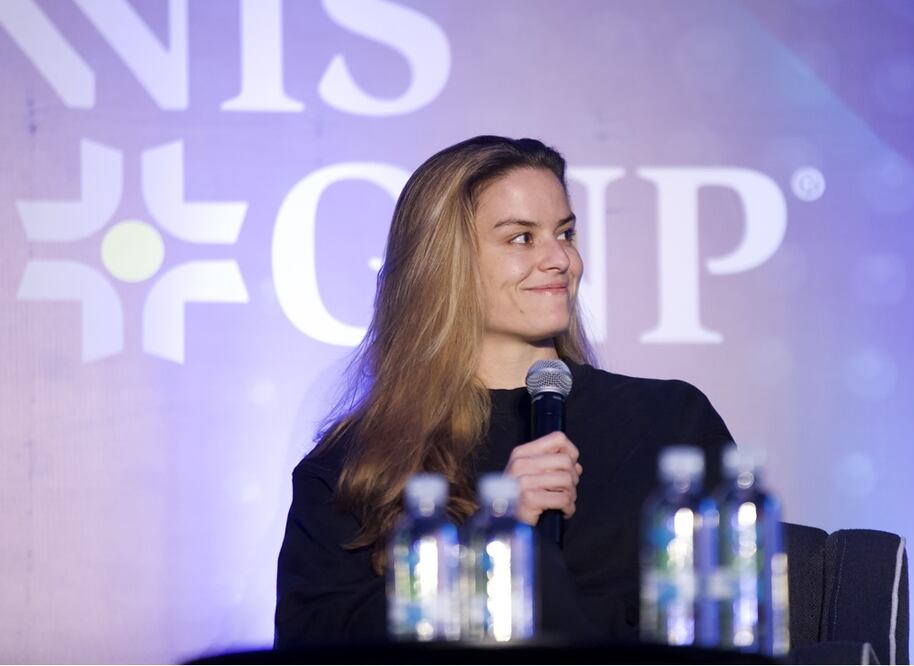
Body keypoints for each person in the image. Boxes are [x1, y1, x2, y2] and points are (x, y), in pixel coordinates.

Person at [274, 136, 734, 648]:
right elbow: (315, 648)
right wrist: (491, 539)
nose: (560, 259)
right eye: (521, 238)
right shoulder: (354, 465)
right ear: (444, 264)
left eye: (565, 233)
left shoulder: (669, 422)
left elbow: (724, 617)